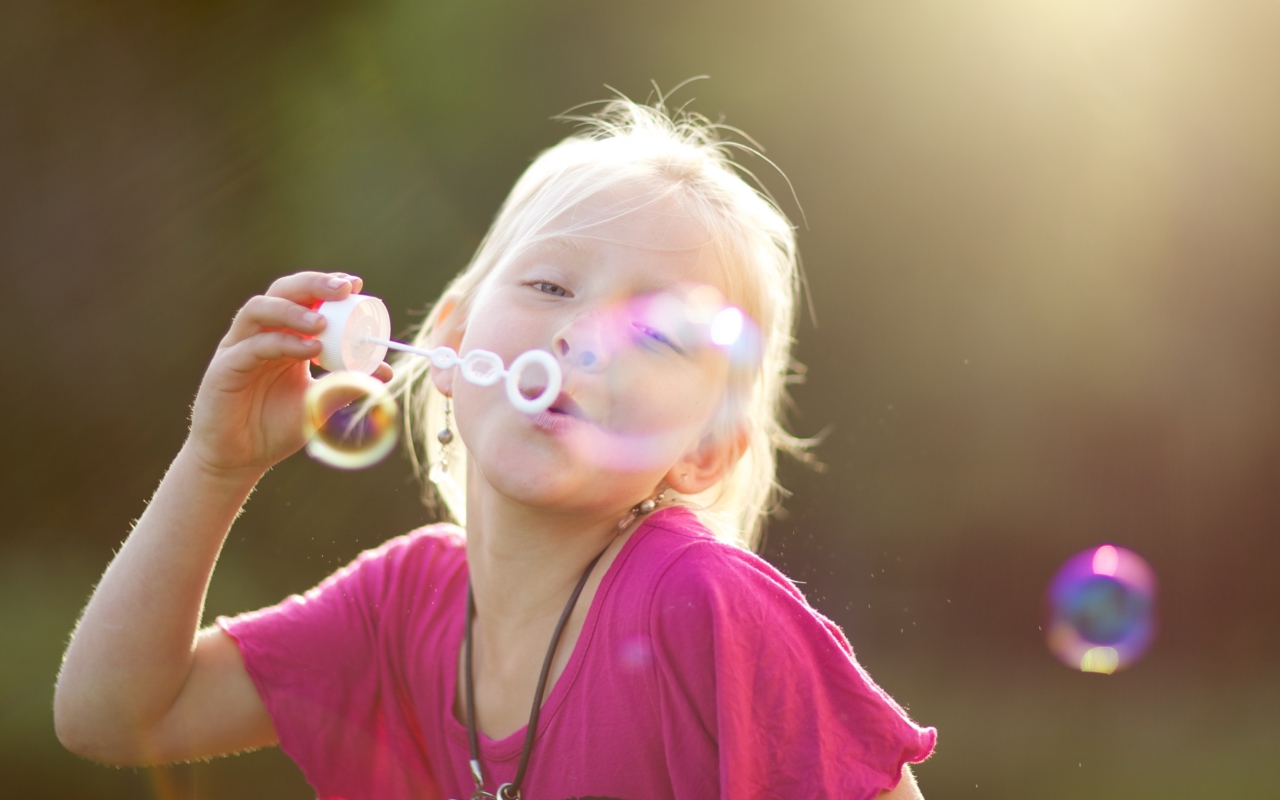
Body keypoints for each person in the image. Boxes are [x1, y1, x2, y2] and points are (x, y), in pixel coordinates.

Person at [54, 97, 935, 799]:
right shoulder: (400, 603)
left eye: (657, 335)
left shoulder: (703, 610)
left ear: (702, 452)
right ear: (447, 342)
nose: (584, 339)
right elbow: (117, 717)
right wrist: (217, 465)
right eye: (551, 284)